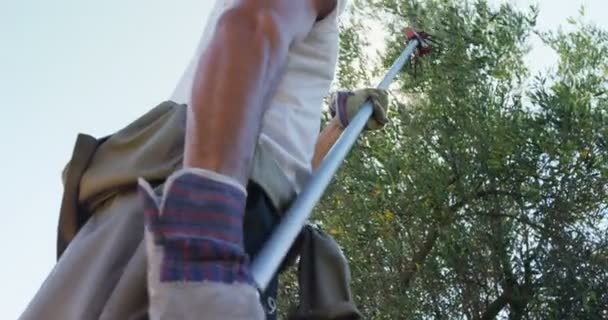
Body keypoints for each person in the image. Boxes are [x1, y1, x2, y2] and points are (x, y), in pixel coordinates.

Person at [19, 0, 390, 319]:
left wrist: (338, 126)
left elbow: (278, 166)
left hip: (189, 203)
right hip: (205, 211)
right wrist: (204, 250)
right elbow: (249, 28)